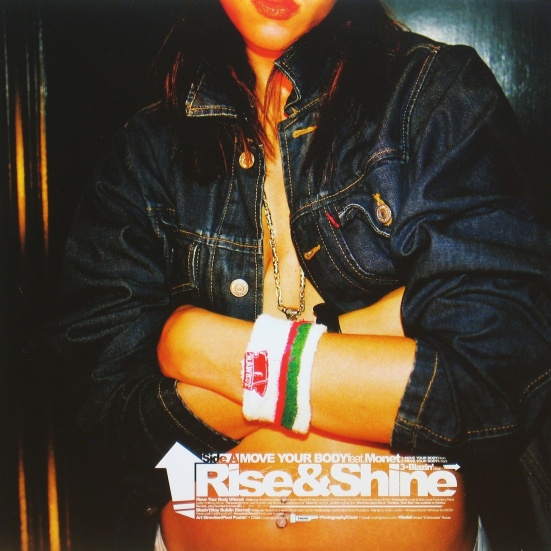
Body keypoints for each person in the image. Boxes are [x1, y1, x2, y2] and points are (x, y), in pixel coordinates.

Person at [49, 1, 551, 550]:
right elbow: (105, 426)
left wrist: (205, 348)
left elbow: (493, 379)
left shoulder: (434, 96)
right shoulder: (146, 150)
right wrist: (370, 334)